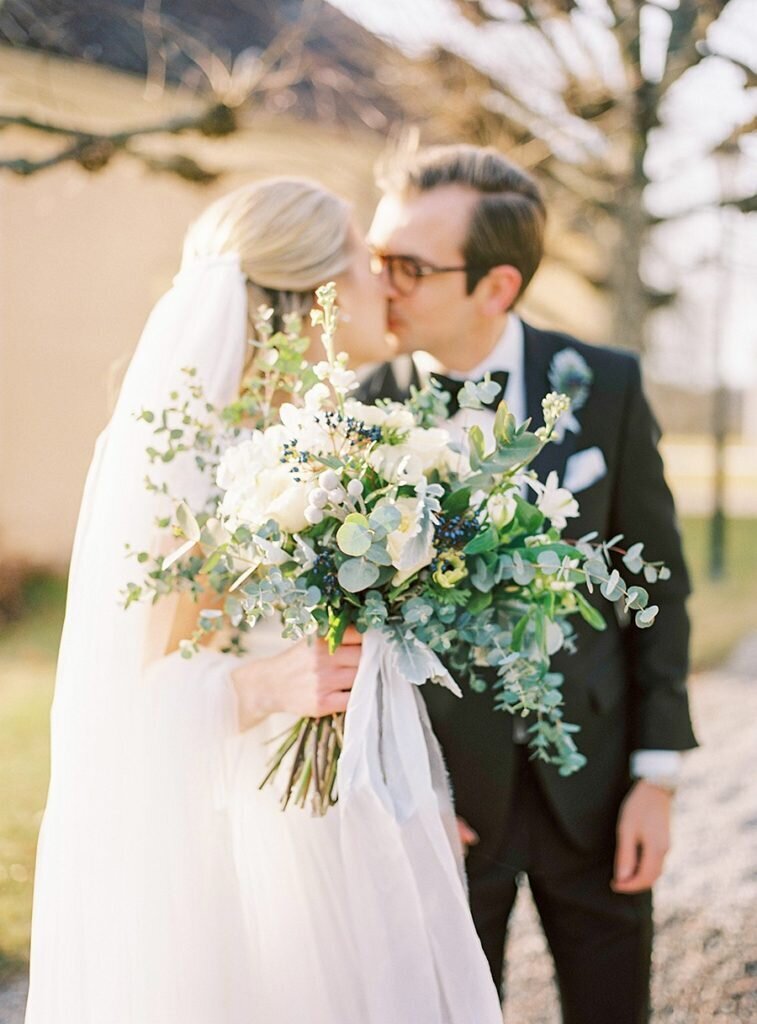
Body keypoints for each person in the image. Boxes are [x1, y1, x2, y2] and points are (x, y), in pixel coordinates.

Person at [24, 178, 503, 1024]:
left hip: (344, 815)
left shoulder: (339, 437)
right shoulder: (212, 464)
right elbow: (126, 699)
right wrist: (261, 686)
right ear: (307, 291)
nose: (384, 280)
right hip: (258, 844)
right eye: (365, 260)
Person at [360, 143, 698, 1024]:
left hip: (593, 787)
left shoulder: (607, 386)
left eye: (407, 266)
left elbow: (658, 594)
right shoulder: (355, 414)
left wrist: (654, 778)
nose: (380, 283)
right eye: (375, 258)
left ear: (496, 286)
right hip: (444, 810)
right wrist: (406, 791)